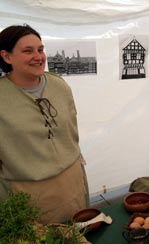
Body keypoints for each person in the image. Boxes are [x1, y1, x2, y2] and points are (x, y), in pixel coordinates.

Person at [0, 24, 89, 224]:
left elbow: (70, 129)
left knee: (78, 232)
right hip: (27, 191)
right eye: (28, 51)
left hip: (71, 182)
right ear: (7, 57)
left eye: (40, 50)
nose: (38, 56)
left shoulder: (59, 85)